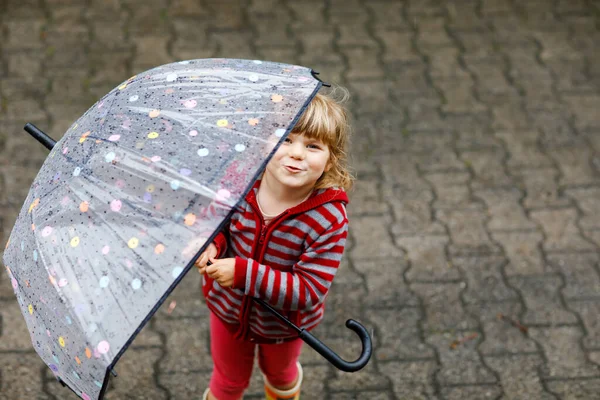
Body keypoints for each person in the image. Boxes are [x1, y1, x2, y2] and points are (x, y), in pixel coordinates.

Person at [195, 88, 353, 400]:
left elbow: (309, 290)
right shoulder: (241, 178)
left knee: (280, 376)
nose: (297, 153)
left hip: (282, 325)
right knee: (227, 382)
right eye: (286, 139)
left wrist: (244, 274)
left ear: (330, 160)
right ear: (264, 143)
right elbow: (216, 222)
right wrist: (210, 243)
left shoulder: (329, 218)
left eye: (313, 146)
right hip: (227, 310)